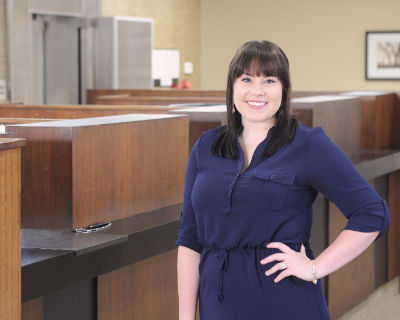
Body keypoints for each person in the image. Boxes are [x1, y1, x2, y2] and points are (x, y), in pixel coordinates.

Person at [176, 40, 390, 320]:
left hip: (284, 303)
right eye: (246, 78)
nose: (257, 90)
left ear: (284, 88)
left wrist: (315, 268)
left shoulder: (308, 144)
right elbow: (189, 240)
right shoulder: (206, 146)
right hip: (218, 306)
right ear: (232, 87)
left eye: (269, 80)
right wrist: (185, 316)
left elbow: (372, 213)